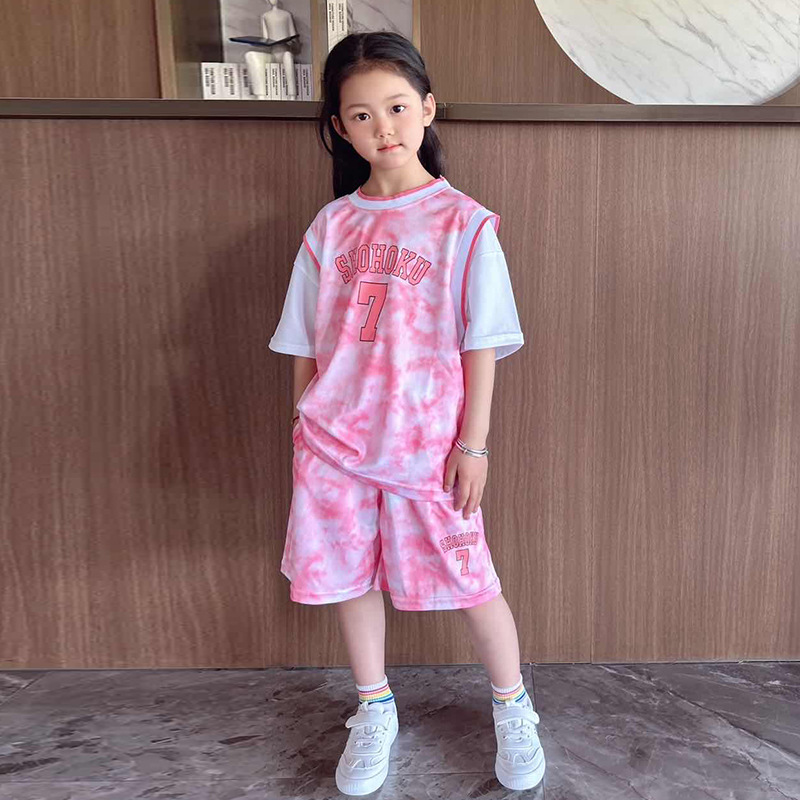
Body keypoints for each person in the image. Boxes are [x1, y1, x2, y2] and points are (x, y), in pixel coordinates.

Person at [268, 31, 546, 795]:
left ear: (427, 108)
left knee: (471, 579)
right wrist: (302, 419)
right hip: (333, 443)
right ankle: (374, 705)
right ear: (339, 127)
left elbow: (482, 343)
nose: (382, 127)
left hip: (428, 448)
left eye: (396, 107)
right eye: (361, 115)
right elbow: (303, 338)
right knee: (348, 577)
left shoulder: (464, 224)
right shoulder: (331, 226)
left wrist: (473, 445)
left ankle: (513, 705)